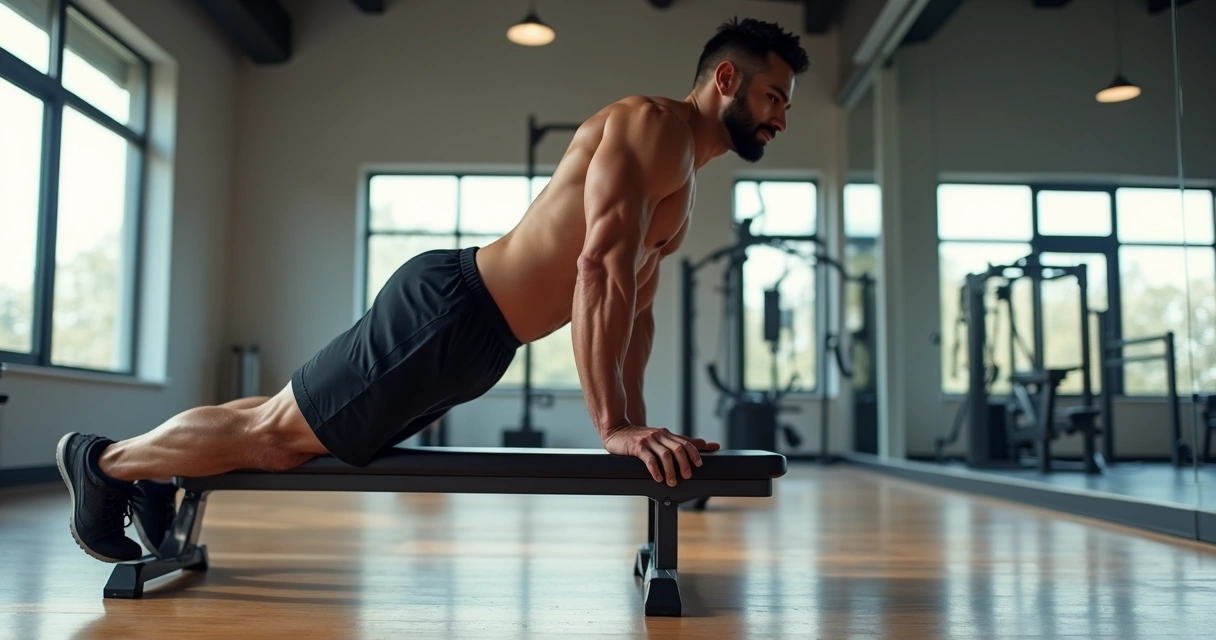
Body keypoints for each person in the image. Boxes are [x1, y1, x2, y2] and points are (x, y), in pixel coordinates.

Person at [56, 17, 810, 563]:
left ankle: (156, 470)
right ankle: (106, 463)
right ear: (726, 80)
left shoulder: (686, 183)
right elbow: (597, 268)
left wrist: (643, 437)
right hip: (453, 313)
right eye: (776, 95)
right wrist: (612, 425)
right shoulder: (652, 127)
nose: (783, 115)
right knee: (278, 441)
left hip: (479, 342)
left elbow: (636, 313)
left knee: (276, 416)